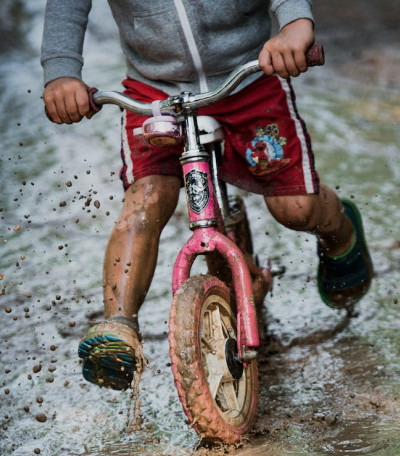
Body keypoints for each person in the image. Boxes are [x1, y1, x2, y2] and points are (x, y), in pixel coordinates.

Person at [41, 0, 373, 391]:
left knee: (297, 208)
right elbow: (67, 6)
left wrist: (294, 24)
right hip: (155, 94)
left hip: (249, 76)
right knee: (146, 201)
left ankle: (341, 233)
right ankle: (119, 325)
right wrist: (61, 73)